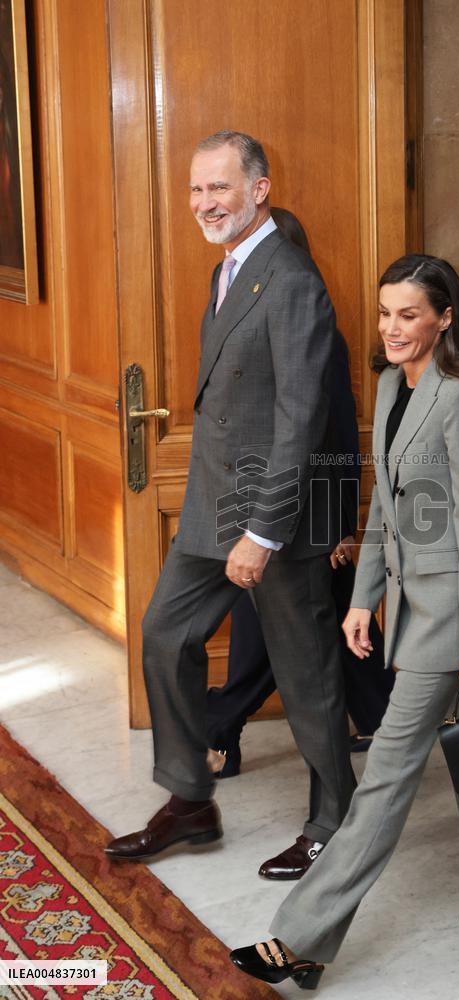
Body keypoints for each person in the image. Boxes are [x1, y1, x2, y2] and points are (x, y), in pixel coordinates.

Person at [229, 254, 459, 990]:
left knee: (383, 781)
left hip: (450, 623)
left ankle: (300, 939)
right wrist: (360, 598)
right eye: (385, 314)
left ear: (445, 317)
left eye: (409, 314)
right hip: (411, 607)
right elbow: (386, 506)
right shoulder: (389, 385)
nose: (392, 328)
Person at [105, 131, 356, 881]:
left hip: (271, 518)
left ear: (259, 189)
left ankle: (332, 822)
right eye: (195, 189)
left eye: (219, 187)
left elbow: (302, 417)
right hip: (213, 507)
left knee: (306, 675)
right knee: (162, 634)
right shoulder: (230, 267)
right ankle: (190, 800)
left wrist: (263, 530)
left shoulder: (291, 279)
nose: (205, 203)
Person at [206, 208, 393, 781]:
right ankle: (379, 718)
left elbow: (335, 431)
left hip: (309, 512)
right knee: (295, 623)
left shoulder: (318, 333)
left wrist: (341, 522)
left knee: (294, 628)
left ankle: (223, 725)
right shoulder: (237, 323)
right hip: (254, 506)